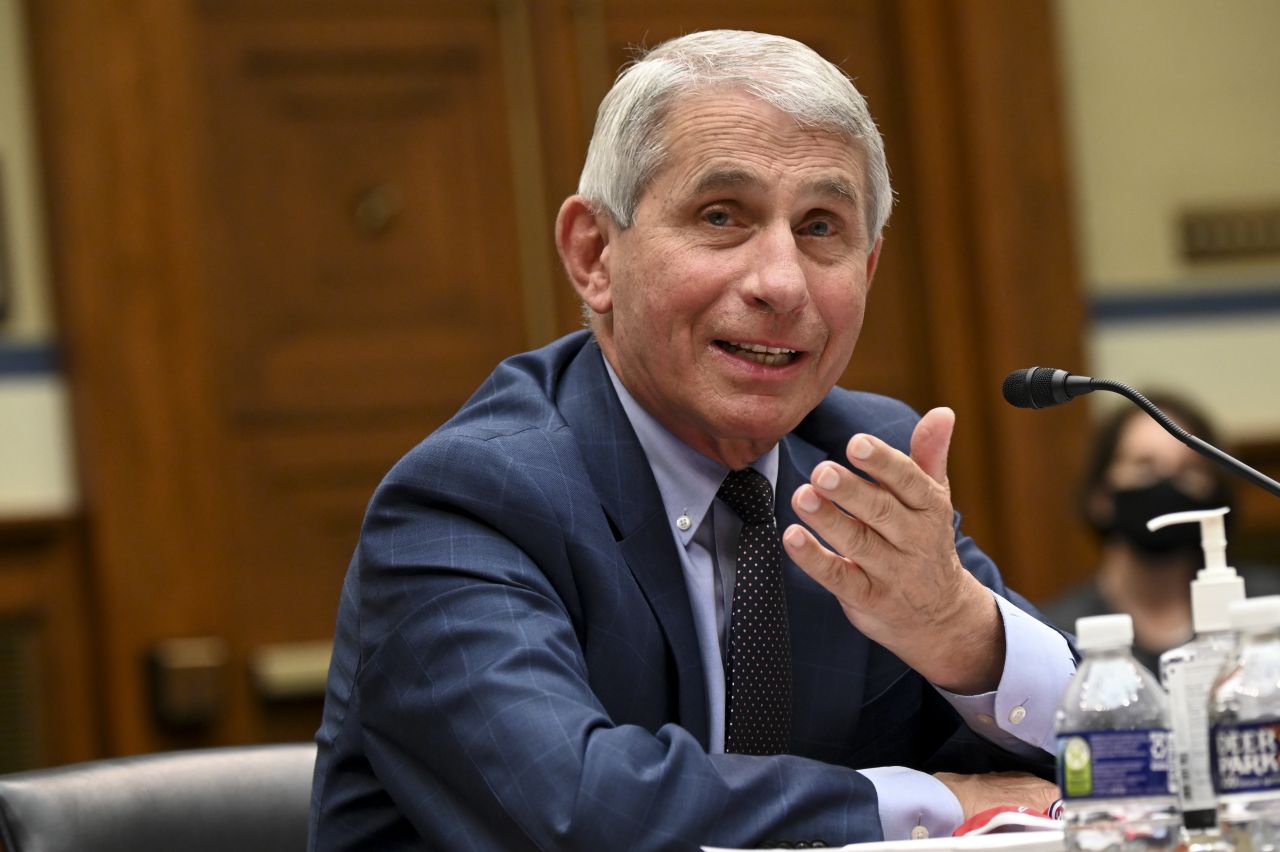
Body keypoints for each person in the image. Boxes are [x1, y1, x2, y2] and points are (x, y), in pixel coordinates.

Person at [309, 29, 1075, 850]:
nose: (781, 284)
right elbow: (578, 813)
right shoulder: (471, 499)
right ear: (594, 254)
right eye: (722, 217)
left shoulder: (860, 459)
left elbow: (1123, 750)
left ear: (869, 269)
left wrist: (961, 632)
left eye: (822, 228)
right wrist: (928, 805)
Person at [1043, 393, 1280, 673]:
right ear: (1100, 495)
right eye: (1144, 466)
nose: (1166, 484)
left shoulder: (1270, 608)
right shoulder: (1055, 637)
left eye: (1189, 469)